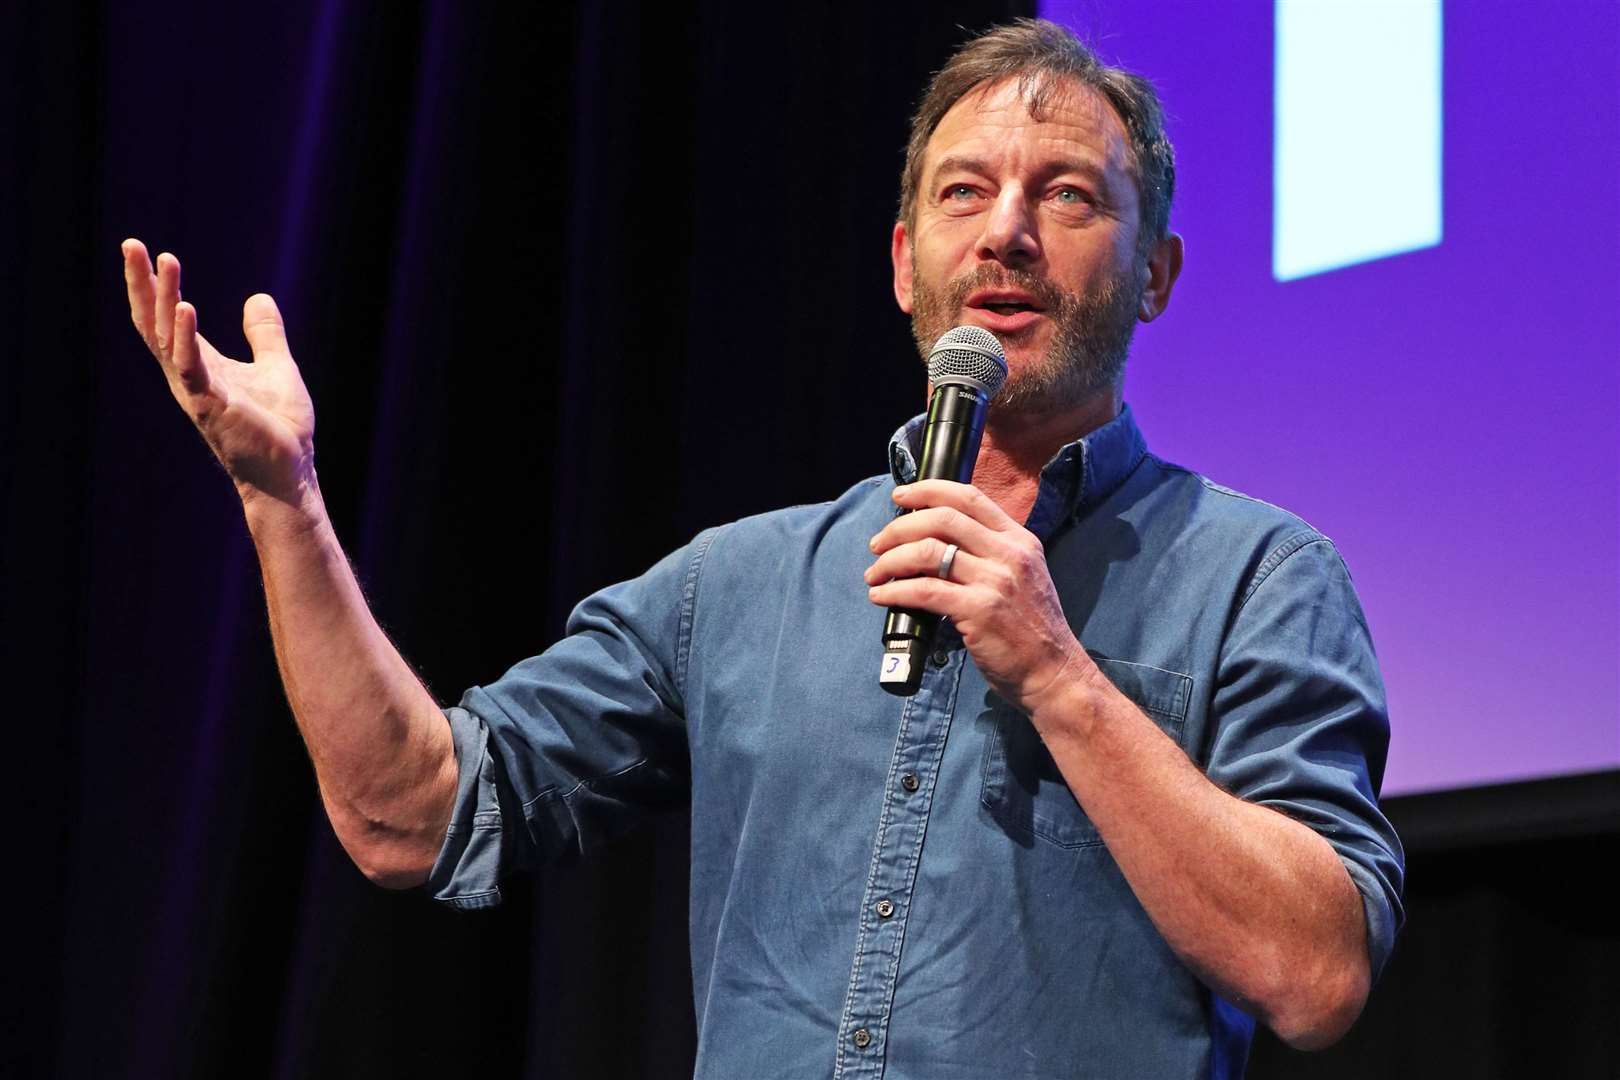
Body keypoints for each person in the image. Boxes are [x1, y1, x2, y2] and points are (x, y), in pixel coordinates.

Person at [121, 18, 1402, 1079]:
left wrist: (1062, 679)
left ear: (1157, 273)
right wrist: (284, 498)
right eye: (965, 193)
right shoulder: (736, 585)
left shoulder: (1262, 578)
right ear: (909, 266)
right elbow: (412, 812)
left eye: (1067, 194)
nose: (1007, 230)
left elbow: (1319, 974)